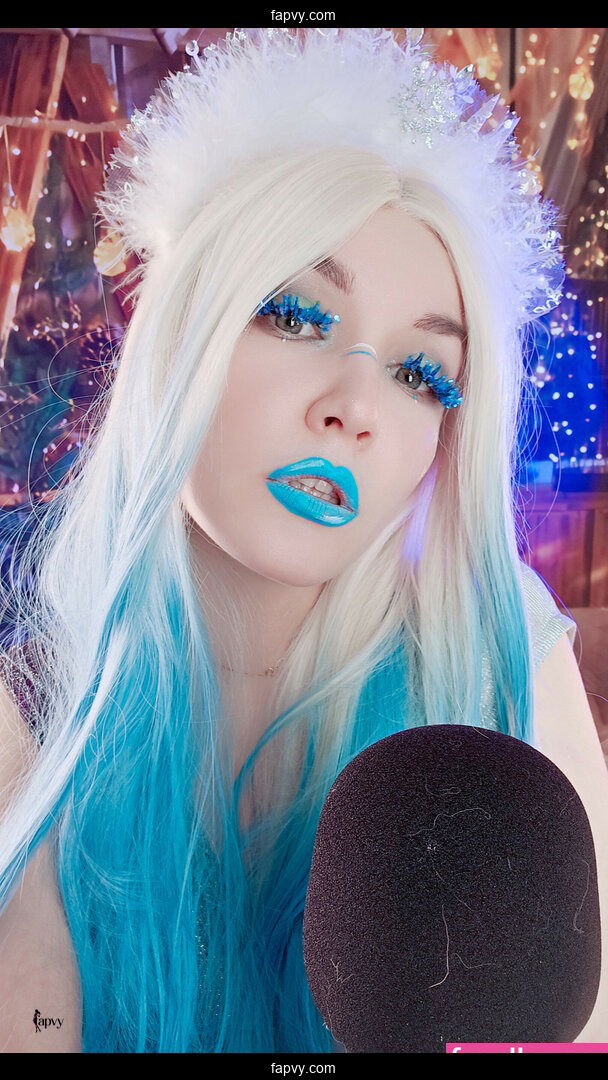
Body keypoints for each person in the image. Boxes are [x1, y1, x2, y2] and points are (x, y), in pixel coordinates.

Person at [0, 27, 606, 1053]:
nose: (355, 409)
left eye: (421, 376)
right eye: (293, 315)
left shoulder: (498, 659)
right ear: (181, 331)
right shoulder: (39, 709)